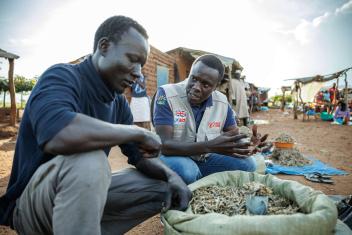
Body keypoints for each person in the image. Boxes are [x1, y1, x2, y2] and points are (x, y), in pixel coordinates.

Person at [0, 15, 191, 235]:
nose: (138, 72)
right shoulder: (62, 77)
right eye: (132, 58)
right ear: (104, 46)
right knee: (90, 159)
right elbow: (58, 134)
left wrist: (172, 176)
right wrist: (136, 132)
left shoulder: (117, 102)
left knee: (165, 186)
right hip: (31, 206)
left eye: (142, 64)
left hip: (77, 197)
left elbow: (139, 157)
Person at [153, 54, 265, 185]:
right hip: (174, 157)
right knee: (188, 171)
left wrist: (247, 144)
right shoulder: (167, 94)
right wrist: (209, 147)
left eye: (205, 85)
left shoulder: (222, 102)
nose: (196, 87)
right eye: (194, 79)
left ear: (215, 86)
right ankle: (197, 181)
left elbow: (233, 135)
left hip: (204, 159)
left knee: (248, 164)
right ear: (189, 74)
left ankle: (197, 180)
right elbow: (164, 146)